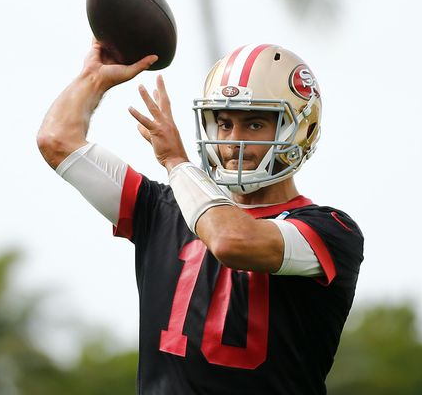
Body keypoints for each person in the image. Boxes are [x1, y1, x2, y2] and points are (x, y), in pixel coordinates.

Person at [37, 41, 364, 394]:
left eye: (254, 125)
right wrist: (93, 78)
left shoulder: (330, 230)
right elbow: (57, 140)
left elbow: (231, 240)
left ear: (300, 131)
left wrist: (176, 162)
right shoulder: (163, 209)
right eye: (224, 124)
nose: (231, 142)